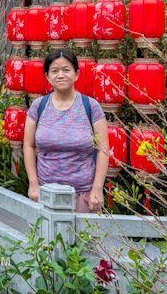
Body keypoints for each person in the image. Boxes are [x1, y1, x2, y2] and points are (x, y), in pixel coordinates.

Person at [23, 49, 110, 213]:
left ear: (76, 74)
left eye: (66, 70)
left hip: (84, 195)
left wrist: (97, 189)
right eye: (54, 71)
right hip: (45, 195)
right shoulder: (38, 106)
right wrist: (34, 184)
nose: (60, 75)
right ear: (47, 76)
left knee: (84, 239)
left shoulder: (91, 107)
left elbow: (103, 149)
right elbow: (28, 146)